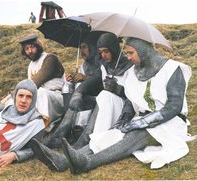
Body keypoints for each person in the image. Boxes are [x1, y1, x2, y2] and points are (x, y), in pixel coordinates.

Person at [59, 37, 195, 174]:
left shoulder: (172, 69)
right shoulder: (134, 72)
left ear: (144, 51)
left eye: (131, 53)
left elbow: (174, 106)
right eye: (127, 54)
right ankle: (62, 161)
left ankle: (88, 163)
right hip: (141, 119)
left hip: (169, 123)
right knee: (113, 134)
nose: (128, 58)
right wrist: (123, 120)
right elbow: (131, 100)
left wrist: (144, 122)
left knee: (136, 133)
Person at [28, 33, 134, 172]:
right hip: (105, 104)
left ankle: (78, 146)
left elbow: (135, 98)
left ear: (114, 49)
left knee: (105, 96)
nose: (103, 55)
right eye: (101, 52)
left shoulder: (131, 67)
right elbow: (95, 83)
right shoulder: (104, 67)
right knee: (88, 95)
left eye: (106, 51)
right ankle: (58, 137)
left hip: (121, 108)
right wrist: (78, 92)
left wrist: (119, 90)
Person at [30, 34, 103, 149]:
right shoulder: (84, 65)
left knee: (79, 90)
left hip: (96, 100)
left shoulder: (102, 62)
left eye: (84, 47)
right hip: (79, 98)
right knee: (67, 86)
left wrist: (85, 79)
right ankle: (66, 124)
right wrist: (72, 79)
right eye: (80, 48)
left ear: (93, 47)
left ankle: (77, 130)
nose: (81, 51)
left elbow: (104, 82)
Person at [19, 34, 65, 126]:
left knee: (41, 92)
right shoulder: (31, 65)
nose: (30, 51)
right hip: (40, 99)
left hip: (57, 97)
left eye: (32, 47)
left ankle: (44, 126)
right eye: (26, 49)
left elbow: (36, 82)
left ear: (38, 46)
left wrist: (14, 94)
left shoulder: (50, 58)